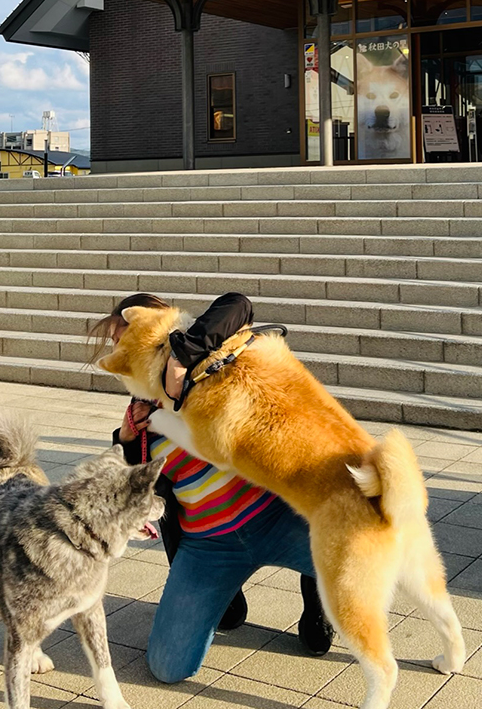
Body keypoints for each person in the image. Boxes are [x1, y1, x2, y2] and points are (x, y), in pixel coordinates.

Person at [89, 293, 333, 684]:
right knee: (168, 667)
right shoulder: (140, 404)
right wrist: (126, 436)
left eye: (128, 335)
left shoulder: (209, 360)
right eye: (118, 343)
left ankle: (316, 605)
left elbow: (237, 304)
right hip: (210, 544)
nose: (123, 347)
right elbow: (131, 486)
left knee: (347, 547)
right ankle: (226, 598)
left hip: (274, 515)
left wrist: (180, 359)